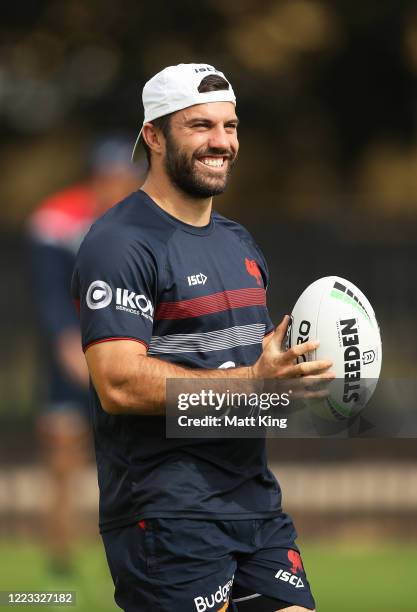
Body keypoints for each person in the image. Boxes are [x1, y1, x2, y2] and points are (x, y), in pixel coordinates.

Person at [72, 64, 333, 611]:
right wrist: (252, 383)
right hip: (168, 513)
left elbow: (253, 384)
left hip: (254, 506)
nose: (222, 142)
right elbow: (117, 384)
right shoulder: (120, 243)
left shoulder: (239, 241)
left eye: (230, 126)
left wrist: (293, 383)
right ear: (153, 135)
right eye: (200, 126)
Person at [28, 137, 146, 572]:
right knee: (63, 455)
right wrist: (68, 347)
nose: (119, 188)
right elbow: (50, 297)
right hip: (71, 361)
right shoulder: (56, 221)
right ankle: (60, 557)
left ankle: (136, 549)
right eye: (112, 179)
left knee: (136, 456)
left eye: (126, 180)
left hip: (125, 354)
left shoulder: (144, 225)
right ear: (96, 179)